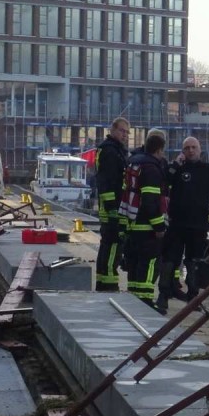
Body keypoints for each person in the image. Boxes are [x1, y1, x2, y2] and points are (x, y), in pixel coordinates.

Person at [160, 137, 209, 308]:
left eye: (194, 147)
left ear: (200, 149)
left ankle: (193, 297)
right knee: (170, 259)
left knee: (194, 262)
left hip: (198, 224)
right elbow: (163, 181)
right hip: (177, 224)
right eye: (187, 148)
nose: (191, 151)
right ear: (182, 151)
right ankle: (163, 294)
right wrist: (175, 164)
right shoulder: (177, 169)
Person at [119, 131, 169, 309]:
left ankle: (133, 300)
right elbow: (151, 201)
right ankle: (145, 301)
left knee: (134, 264)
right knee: (149, 265)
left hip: (132, 224)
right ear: (159, 150)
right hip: (147, 228)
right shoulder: (152, 169)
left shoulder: (134, 163)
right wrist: (159, 226)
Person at [93, 117, 130, 292]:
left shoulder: (115, 150)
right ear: (113, 129)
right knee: (113, 247)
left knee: (107, 245)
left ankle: (102, 282)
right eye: (122, 131)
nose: (125, 135)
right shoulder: (110, 152)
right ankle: (109, 285)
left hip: (111, 208)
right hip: (112, 210)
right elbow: (106, 184)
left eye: (127, 132)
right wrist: (113, 211)